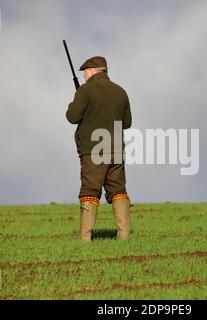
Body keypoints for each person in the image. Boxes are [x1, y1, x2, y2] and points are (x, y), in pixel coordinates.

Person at [66, 56, 132, 241]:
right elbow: (127, 123)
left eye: (85, 71)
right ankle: (124, 236)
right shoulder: (121, 92)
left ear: (92, 71)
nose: (85, 75)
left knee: (89, 190)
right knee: (118, 190)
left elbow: (72, 117)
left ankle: (85, 239)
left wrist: (78, 101)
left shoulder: (85, 91)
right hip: (117, 151)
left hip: (93, 151)